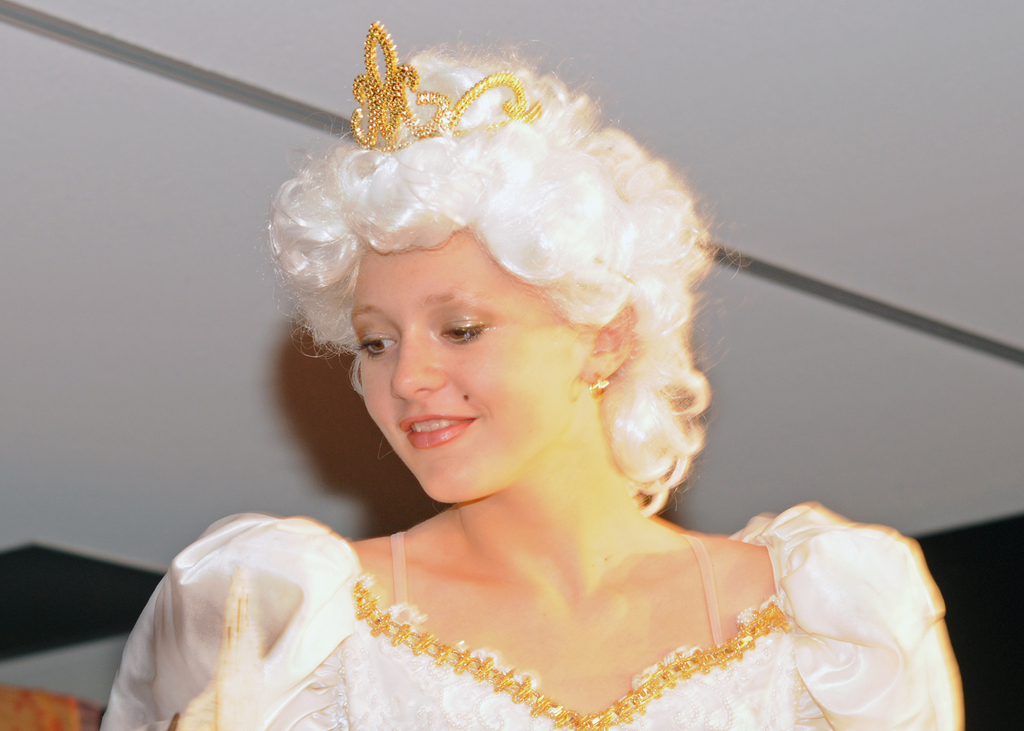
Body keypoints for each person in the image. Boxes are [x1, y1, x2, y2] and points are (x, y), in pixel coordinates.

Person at [100, 22, 962, 731]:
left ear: (605, 338)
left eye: (461, 329)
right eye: (375, 342)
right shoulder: (277, 620)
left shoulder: (836, 623)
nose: (408, 377)